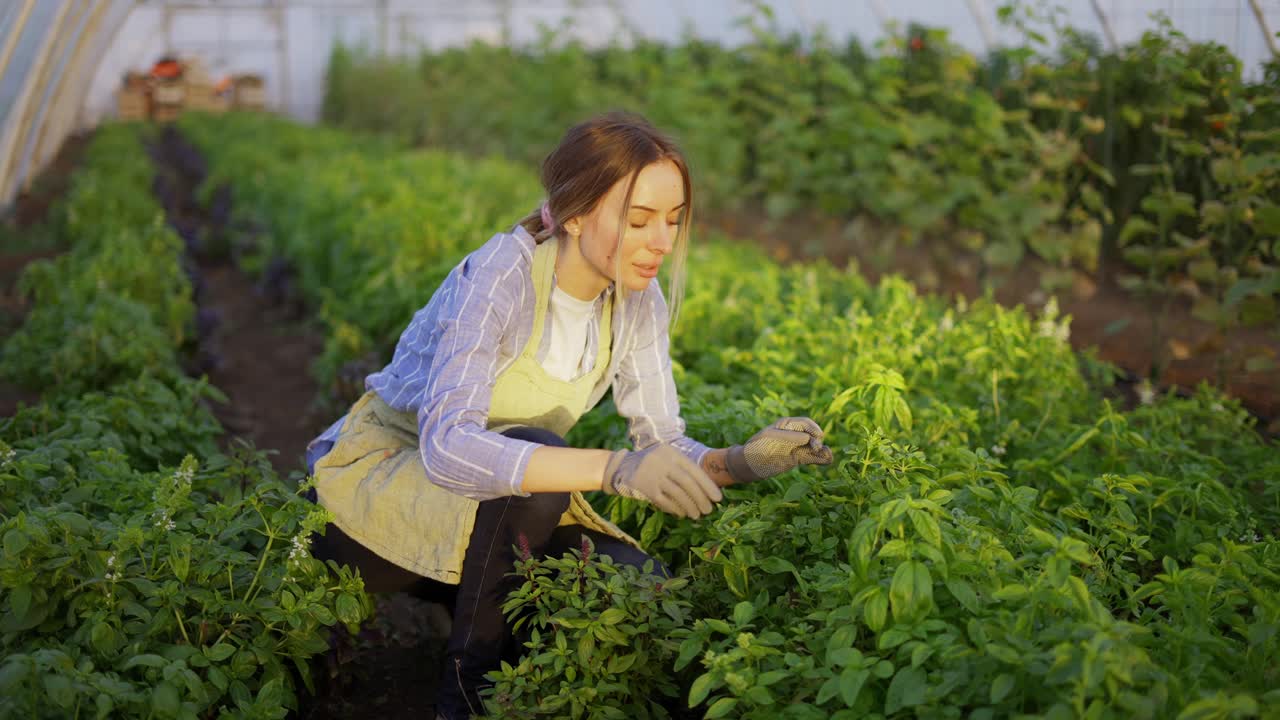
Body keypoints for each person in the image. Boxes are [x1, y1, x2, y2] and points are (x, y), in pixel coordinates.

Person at [302, 111, 833, 719]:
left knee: (636, 579)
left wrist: (743, 461)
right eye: (638, 221)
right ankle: (464, 697)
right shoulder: (502, 274)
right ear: (575, 215)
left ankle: (490, 637)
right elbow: (448, 448)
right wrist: (613, 469)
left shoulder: (636, 297)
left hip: (499, 519)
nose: (661, 241)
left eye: (673, 220)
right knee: (534, 458)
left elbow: (661, 443)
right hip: (381, 501)